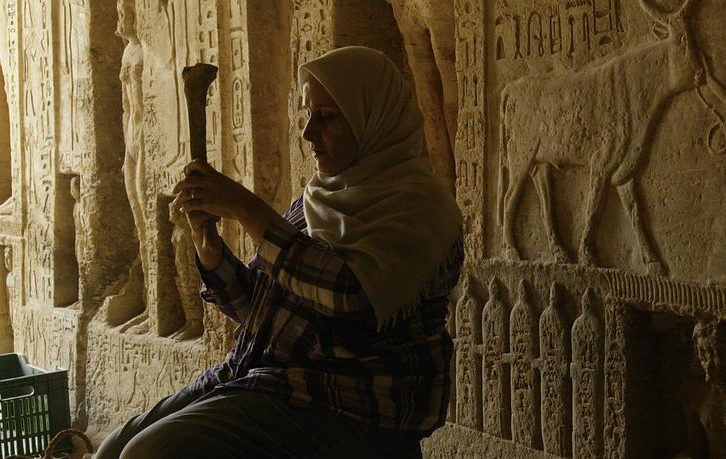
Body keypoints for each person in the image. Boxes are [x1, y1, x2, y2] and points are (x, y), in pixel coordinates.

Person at [94, 46, 464, 458]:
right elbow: (258, 308)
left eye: (326, 117)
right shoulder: (317, 201)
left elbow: (350, 298)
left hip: (348, 402)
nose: (308, 133)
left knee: (149, 454)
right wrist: (211, 251)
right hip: (271, 378)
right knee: (113, 448)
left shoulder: (419, 207)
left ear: (371, 117)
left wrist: (245, 208)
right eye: (309, 115)